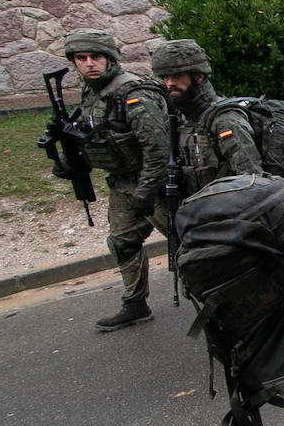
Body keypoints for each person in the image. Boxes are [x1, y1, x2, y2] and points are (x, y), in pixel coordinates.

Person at [60, 29, 169, 330]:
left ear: (110, 59)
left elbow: (158, 148)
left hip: (155, 184)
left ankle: (223, 301)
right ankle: (135, 303)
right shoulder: (91, 92)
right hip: (123, 183)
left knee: (190, 244)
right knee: (122, 241)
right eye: (81, 59)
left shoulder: (133, 92)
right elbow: (91, 135)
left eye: (96, 57)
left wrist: (147, 192)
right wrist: (68, 163)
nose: (89, 64)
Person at [150, 38, 263, 198]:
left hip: (227, 210)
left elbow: (252, 180)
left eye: (177, 76)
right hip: (196, 210)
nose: (169, 83)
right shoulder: (180, 118)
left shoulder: (225, 120)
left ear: (199, 77)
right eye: (165, 77)